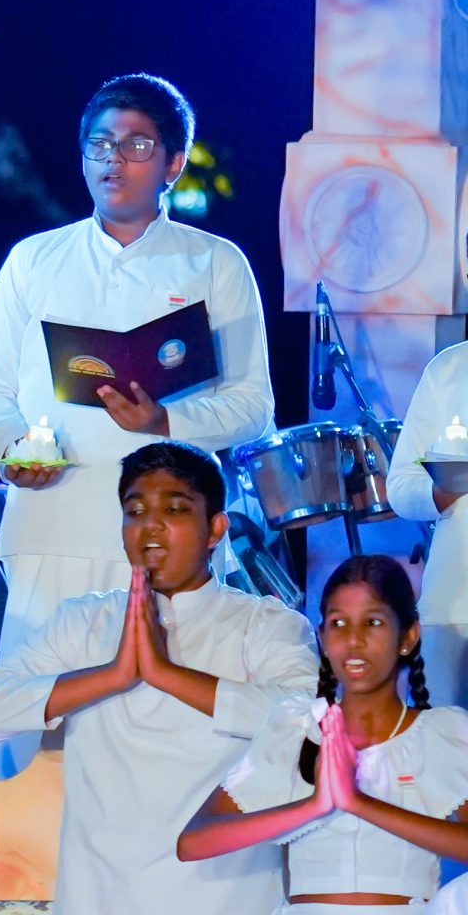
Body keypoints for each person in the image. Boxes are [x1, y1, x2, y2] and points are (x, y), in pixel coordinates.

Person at [0, 74, 273, 676]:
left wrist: (166, 421)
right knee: (39, 707)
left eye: (136, 145)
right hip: (52, 521)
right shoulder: (35, 259)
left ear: (173, 163)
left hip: (172, 533)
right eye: (100, 145)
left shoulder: (214, 262)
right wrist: (11, 449)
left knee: (165, 707)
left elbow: (253, 407)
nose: (114, 160)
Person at [0, 440, 317, 915]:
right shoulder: (85, 621)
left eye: (175, 509)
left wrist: (166, 675)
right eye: (135, 511)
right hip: (97, 899)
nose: (151, 526)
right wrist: (112, 675)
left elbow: (312, 727)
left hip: (223, 900)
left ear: (215, 529)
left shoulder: (264, 625)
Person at [179, 554, 468, 914]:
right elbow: (193, 842)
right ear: (323, 637)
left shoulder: (442, 732)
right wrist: (314, 806)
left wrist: (358, 803)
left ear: (408, 636)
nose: (354, 640)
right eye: (338, 623)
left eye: (373, 622)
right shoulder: (297, 726)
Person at [386, 343, 468, 706]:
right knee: (440, 733)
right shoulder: (449, 368)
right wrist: (440, 491)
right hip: (454, 606)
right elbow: (400, 485)